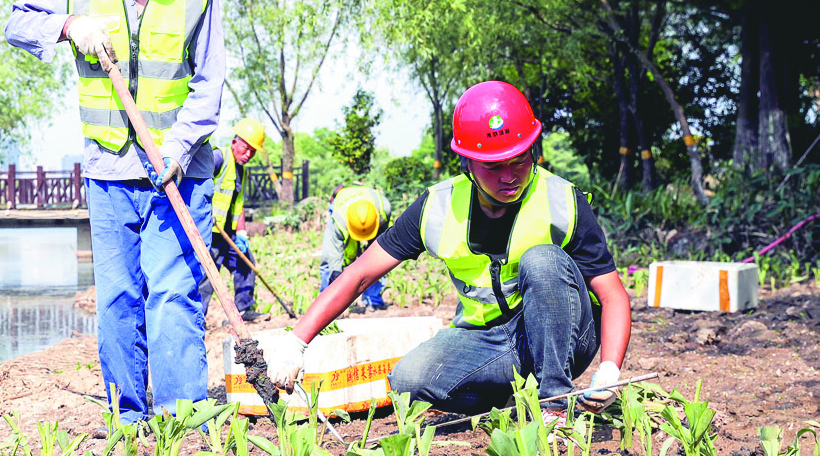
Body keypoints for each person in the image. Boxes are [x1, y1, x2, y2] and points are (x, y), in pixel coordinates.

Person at [268, 80, 631, 420]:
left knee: (543, 260)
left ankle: (553, 404)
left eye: (520, 159)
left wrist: (610, 368)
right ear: (467, 162)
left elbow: (613, 296)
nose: (509, 176)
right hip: (491, 342)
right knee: (407, 382)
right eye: (493, 165)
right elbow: (360, 274)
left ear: (533, 149)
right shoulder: (437, 207)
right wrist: (297, 342)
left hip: (568, 336)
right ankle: (507, 399)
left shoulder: (561, 199)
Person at [3, 0, 224, 424]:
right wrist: (68, 25)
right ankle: (128, 419)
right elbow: (16, 23)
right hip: (109, 174)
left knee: (173, 294)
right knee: (118, 300)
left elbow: (209, 83)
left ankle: (183, 419)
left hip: (181, 171)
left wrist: (176, 150)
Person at [199, 117, 265, 322]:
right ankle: (196, 320)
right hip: (210, 232)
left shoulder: (241, 170)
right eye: (246, 148)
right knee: (206, 278)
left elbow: (239, 205)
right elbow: (198, 186)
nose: (248, 155)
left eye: (253, 152)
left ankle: (243, 309)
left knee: (246, 264)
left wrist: (242, 233)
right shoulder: (219, 157)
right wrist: (204, 211)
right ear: (235, 142)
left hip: (229, 234)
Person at [319, 183, 392, 312]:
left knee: (378, 260)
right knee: (328, 260)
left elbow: (384, 247)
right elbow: (334, 251)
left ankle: (373, 301)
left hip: (372, 216)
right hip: (341, 205)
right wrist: (336, 273)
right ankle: (325, 306)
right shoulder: (339, 221)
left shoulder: (384, 209)